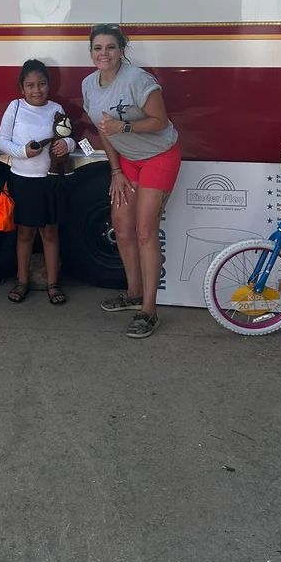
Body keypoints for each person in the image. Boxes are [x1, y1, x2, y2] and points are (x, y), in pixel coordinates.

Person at [81, 24, 181, 339]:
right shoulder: (89, 84)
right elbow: (102, 129)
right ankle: (133, 293)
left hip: (158, 156)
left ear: (121, 50)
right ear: (91, 52)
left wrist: (124, 127)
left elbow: (160, 121)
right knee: (121, 227)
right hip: (127, 163)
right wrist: (115, 170)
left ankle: (149, 311)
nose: (104, 54)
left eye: (111, 47)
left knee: (145, 231)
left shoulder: (138, 80)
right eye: (98, 48)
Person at [0, 60, 75, 306]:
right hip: (22, 180)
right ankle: (22, 281)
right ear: (22, 88)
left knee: (50, 232)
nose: (36, 90)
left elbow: (68, 137)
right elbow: (2, 141)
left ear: (49, 86)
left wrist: (67, 145)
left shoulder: (56, 108)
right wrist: (22, 152)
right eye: (30, 85)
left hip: (49, 181)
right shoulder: (15, 107)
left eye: (41, 84)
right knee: (24, 233)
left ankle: (53, 283)